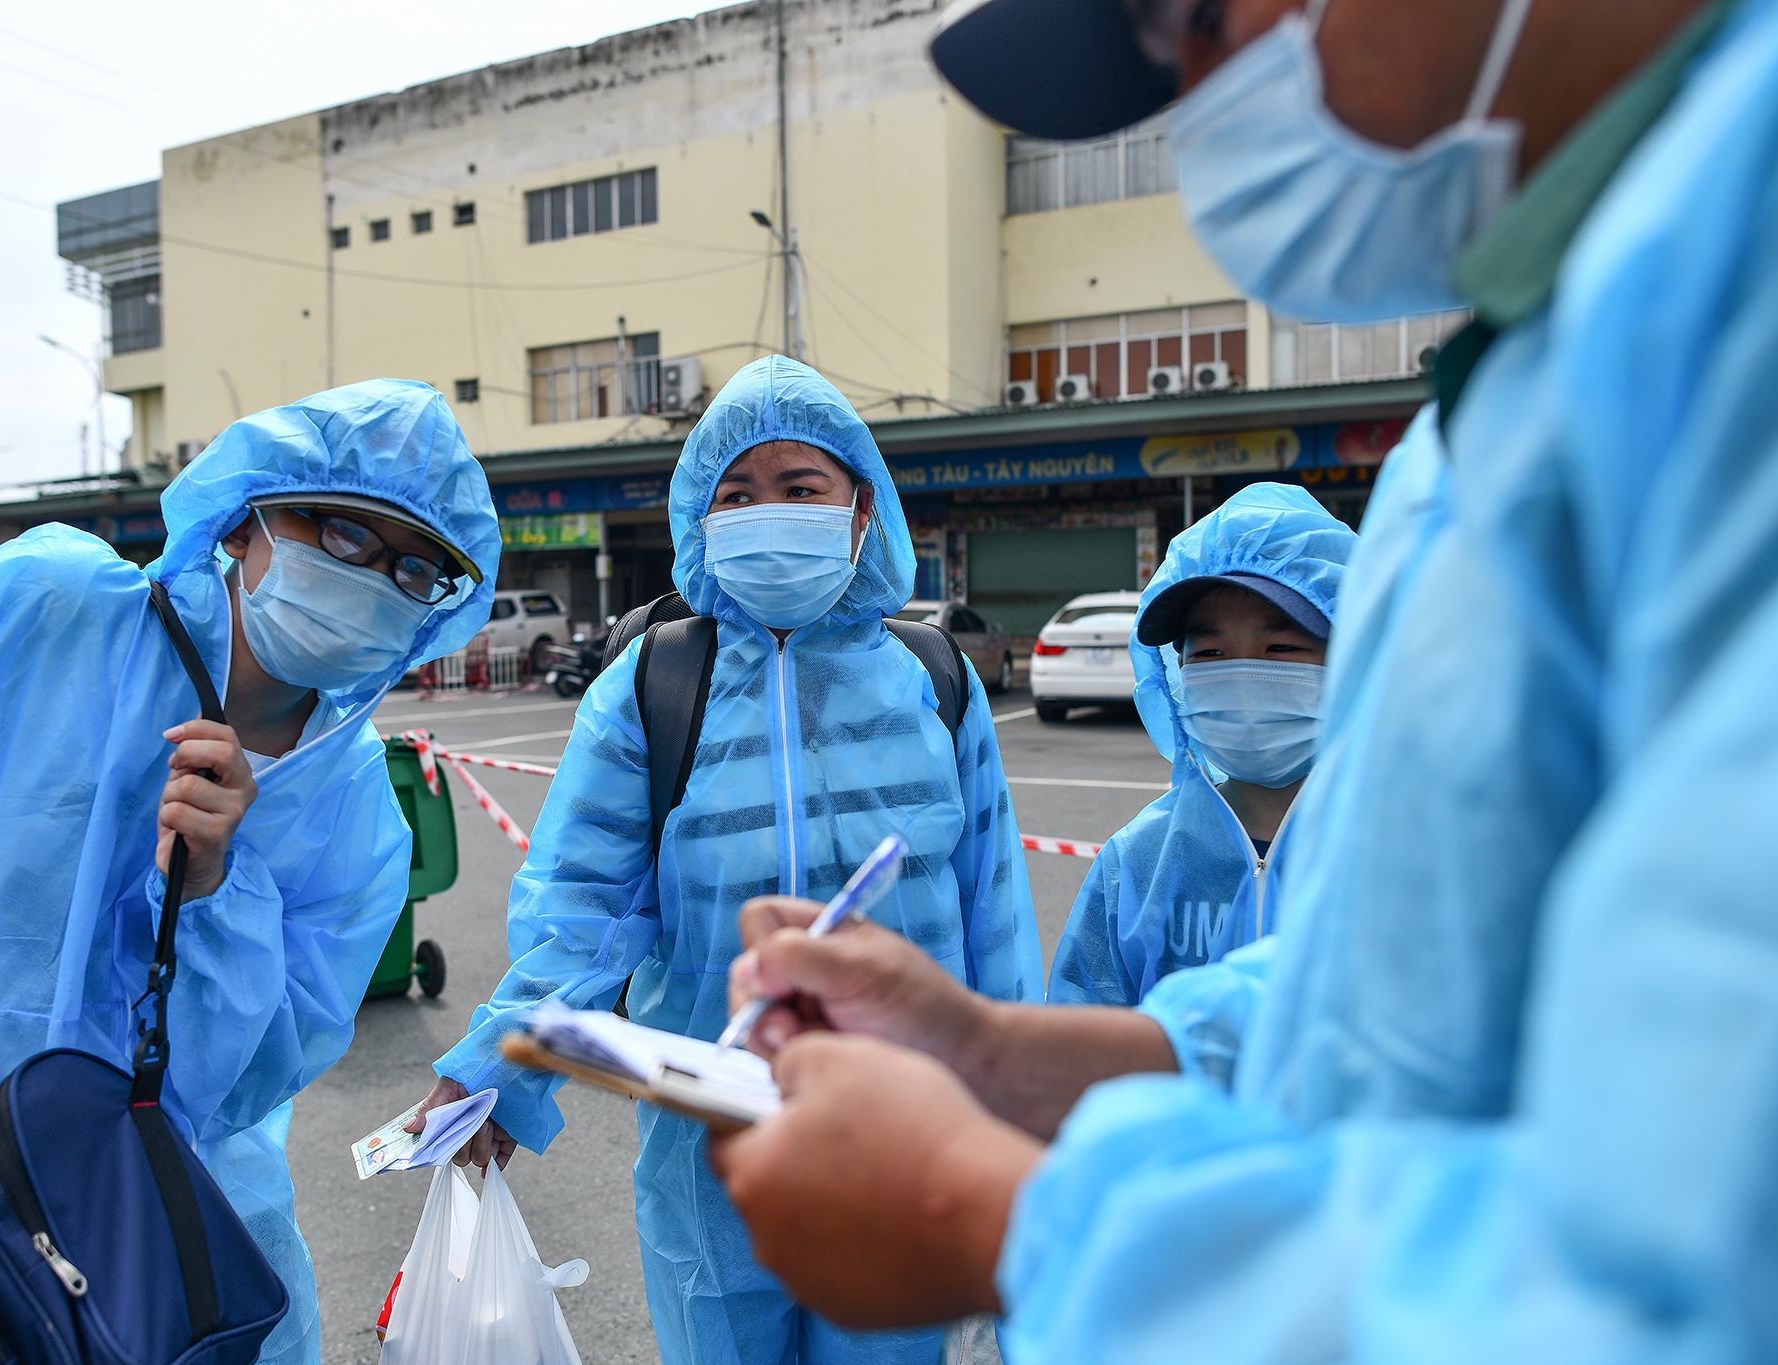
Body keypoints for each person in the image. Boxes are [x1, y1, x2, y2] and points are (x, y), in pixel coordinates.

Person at [712, 0, 1778, 1358]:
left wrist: (1003, 1213)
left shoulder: (1726, 303)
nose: (1197, 105)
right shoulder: (1523, 387)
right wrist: (1000, 1058)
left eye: (1204, 15)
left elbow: (1704, 1275)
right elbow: (1399, 1007)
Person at [0, 379, 501, 1365]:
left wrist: (218, 893)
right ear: (244, 519)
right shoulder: (44, 608)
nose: (374, 578)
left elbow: (256, 1070)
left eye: (416, 569)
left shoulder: (358, 814)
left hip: (151, 1233)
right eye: (345, 534)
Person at [412, 355, 1043, 1365]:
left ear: (859, 511)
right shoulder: (652, 683)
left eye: (800, 488)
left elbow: (994, 914)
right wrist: (493, 1069)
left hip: (905, 1130)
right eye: (735, 494)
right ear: (696, 519)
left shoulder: (935, 680)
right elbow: (584, 904)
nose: (768, 512)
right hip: (710, 1139)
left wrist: (1023, 1122)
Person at [1047, 483, 1353, 1013]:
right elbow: (1080, 1049)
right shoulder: (1140, 862)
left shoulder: (1405, 850)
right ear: (1177, 673)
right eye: (1210, 652)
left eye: (1280, 647)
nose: (1241, 675)